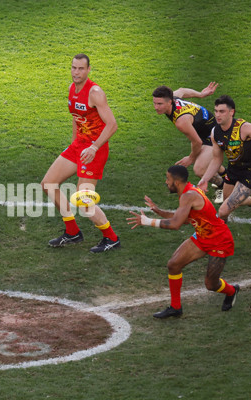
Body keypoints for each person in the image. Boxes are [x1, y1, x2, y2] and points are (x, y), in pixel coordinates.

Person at [127, 165, 239, 318]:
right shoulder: (187, 192)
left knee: (211, 284)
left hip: (219, 241)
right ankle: (175, 307)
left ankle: (232, 291)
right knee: (174, 265)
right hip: (202, 237)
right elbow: (185, 219)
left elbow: (175, 224)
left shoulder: (188, 196)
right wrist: (158, 211)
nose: (166, 182)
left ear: (177, 182)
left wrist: (147, 221)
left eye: (168, 179)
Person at [40, 53, 120, 253]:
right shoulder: (71, 89)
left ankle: (112, 238)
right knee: (48, 184)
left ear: (88, 70)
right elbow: (77, 117)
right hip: (79, 146)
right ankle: (72, 232)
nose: (76, 72)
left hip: (94, 149)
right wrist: (74, 143)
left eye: (81, 69)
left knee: (83, 201)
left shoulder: (95, 92)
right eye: (74, 68)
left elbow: (112, 125)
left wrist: (93, 147)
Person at [152, 82, 226, 204]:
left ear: (169, 102)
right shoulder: (173, 97)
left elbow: (197, 142)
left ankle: (223, 185)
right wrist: (201, 94)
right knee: (206, 160)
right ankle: (225, 173)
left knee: (199, 169)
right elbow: (182, 90)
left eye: (159, 104)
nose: (156, 107)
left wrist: (191, 158)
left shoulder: (181, 121)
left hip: (215, 135)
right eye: (154, 103)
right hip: (207, 130)